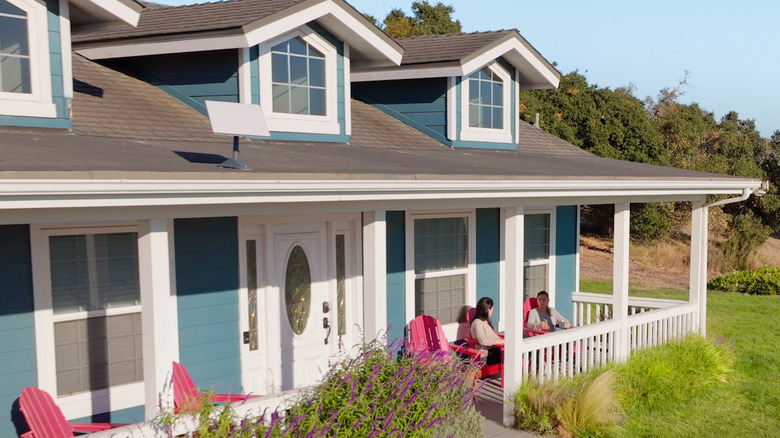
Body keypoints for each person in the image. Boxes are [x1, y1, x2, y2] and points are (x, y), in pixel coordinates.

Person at [469, 297, 503, 365]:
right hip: (486, 355)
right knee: (511, 352)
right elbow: (483, 340)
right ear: (488, 309)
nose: (492, 310)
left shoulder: (484, 321)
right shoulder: (477, 323)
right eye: (492, 308)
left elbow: (493, 336)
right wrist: (497, 341)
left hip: (493, 349)